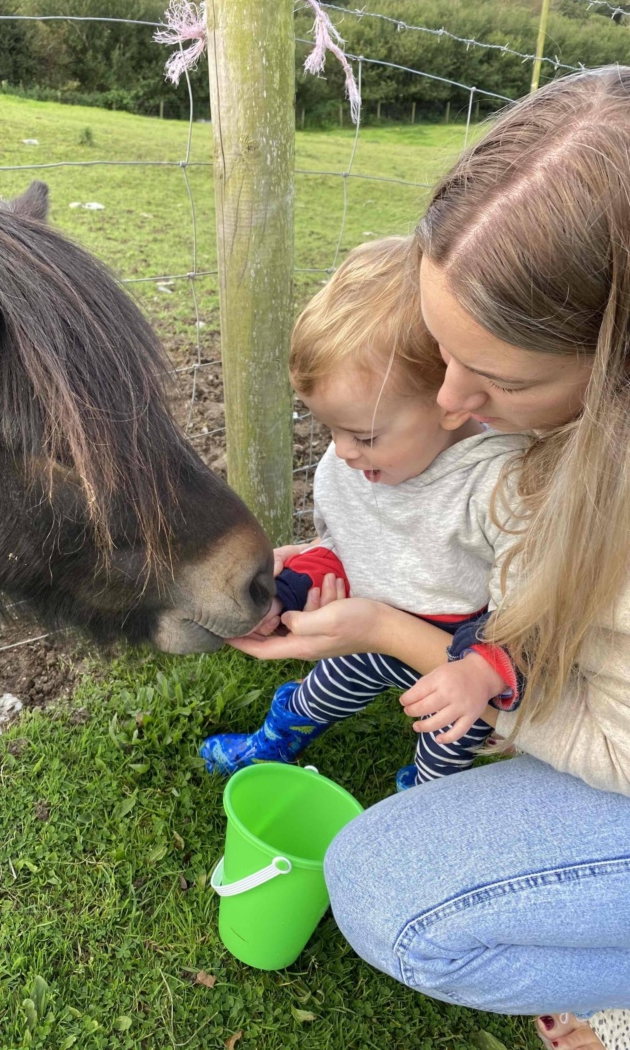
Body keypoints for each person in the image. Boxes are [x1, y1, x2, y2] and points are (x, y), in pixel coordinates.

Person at [227, 66, 630, 1050]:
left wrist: (404, 638)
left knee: (398, 876)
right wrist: (333, 576)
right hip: (435, 639)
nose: (448, 408)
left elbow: (584, 712)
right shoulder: (485, 454)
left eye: (490, 378)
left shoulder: (507, 490)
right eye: (437, 358)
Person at [200, 236, 528, 787]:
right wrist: (285, 595)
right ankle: (272, 742)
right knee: (317, 693)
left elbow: (532, 611)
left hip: (458, 652)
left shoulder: (502, 487)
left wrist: (479, 672)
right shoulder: (355, 463)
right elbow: (341, 546)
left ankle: (418, 802)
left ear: (450, 402)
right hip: (366, 631)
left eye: (363, 435)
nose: (343, 451)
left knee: (448, 740)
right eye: (329, 429)